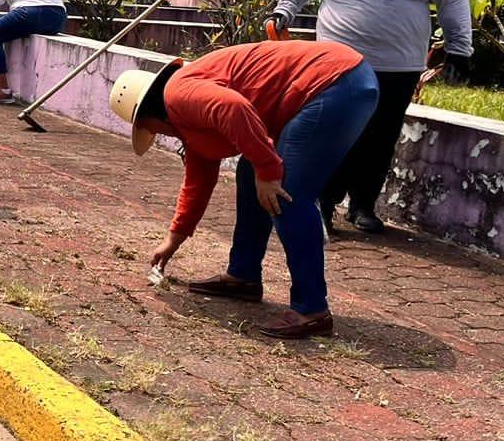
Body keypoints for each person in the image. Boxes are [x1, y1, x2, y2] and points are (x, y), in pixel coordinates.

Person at [110, 40, 379, 339]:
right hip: (341, 78)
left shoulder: (179, 94)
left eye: (149, 129)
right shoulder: (188, 114)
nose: (156, 135)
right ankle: (243, 275)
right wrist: (174, 239)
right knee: (248, 170)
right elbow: (198, 180)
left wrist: (268, 170)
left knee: (286, 193)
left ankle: (312, 309)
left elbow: (234, 108)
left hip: (335, 83)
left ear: (150, 116)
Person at [268, 0, 472, 234]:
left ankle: (363, 204)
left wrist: (458, 49)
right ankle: (325, 203)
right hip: (335, 65)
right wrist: (283, 11)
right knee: (335, 133)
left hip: (398, 65)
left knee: (380, 136)